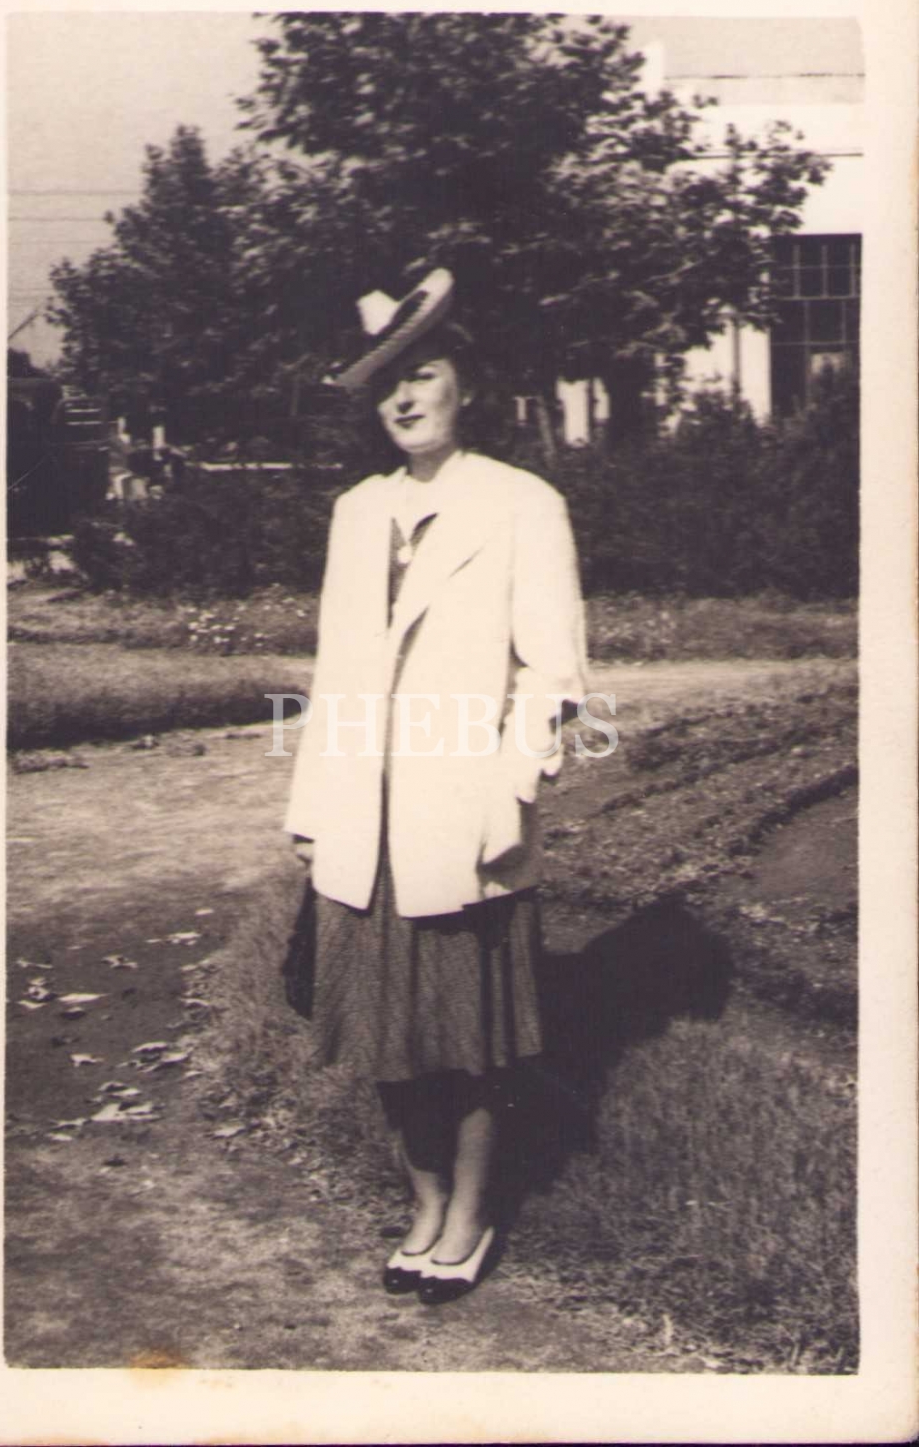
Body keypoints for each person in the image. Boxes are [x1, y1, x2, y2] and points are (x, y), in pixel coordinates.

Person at [285, 269, 587, 1304]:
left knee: (467, 1036)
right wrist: (311, 811)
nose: (403, 400)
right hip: (359, 818)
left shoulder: (521, 504)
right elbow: (333, 673)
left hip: (462, 815)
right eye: (385, 386)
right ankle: (421, 1204)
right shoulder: (357, 512)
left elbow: (552, 675)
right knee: (382, 1031)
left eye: (420, 375)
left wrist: (509, 795)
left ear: (467, 384)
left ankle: (470, 1214)